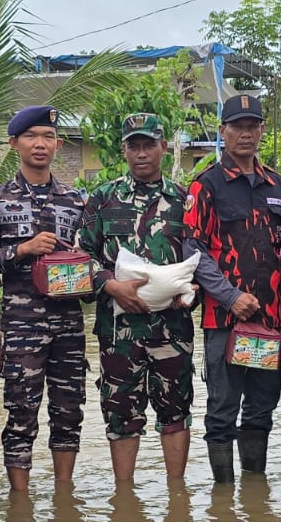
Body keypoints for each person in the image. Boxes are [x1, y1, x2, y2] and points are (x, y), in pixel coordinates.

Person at [0, 106, 88, 491]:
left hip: (69, 323)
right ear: (14, 143)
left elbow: (94, 256)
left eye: (48, 137)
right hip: (22, 326)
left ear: (57, 143)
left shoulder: (75, 200)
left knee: (69, 411)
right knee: (21, 412)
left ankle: (64, 494)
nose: (41, 144)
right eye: (32, 136)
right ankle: (20, 503)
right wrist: (22, 251)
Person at [79, 114, 196, 482]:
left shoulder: (184, 201)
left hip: (172, 330)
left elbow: (200, 257)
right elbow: (81, 256)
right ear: (124, 150)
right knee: (120, 414)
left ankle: (178, 499)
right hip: (119, 333)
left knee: (175, 412)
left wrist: (188, 293)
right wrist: (111, 285)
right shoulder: (102, 199)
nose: (141, 153)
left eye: (149, 145)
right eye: (134, 146)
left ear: (164, 146)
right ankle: (124, 499)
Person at [186, 93, 281, 484]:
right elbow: (193, 250)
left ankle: (255, 494)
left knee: (263, 406)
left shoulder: (276, 184)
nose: (245, 134)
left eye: (252, 126)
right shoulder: (206, 185)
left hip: (268, 322)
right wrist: (231, 296)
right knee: (223, 407)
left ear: (261, 130)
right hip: (225, 320)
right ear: (223, 131)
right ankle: (223, 501)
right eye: (237, 126)